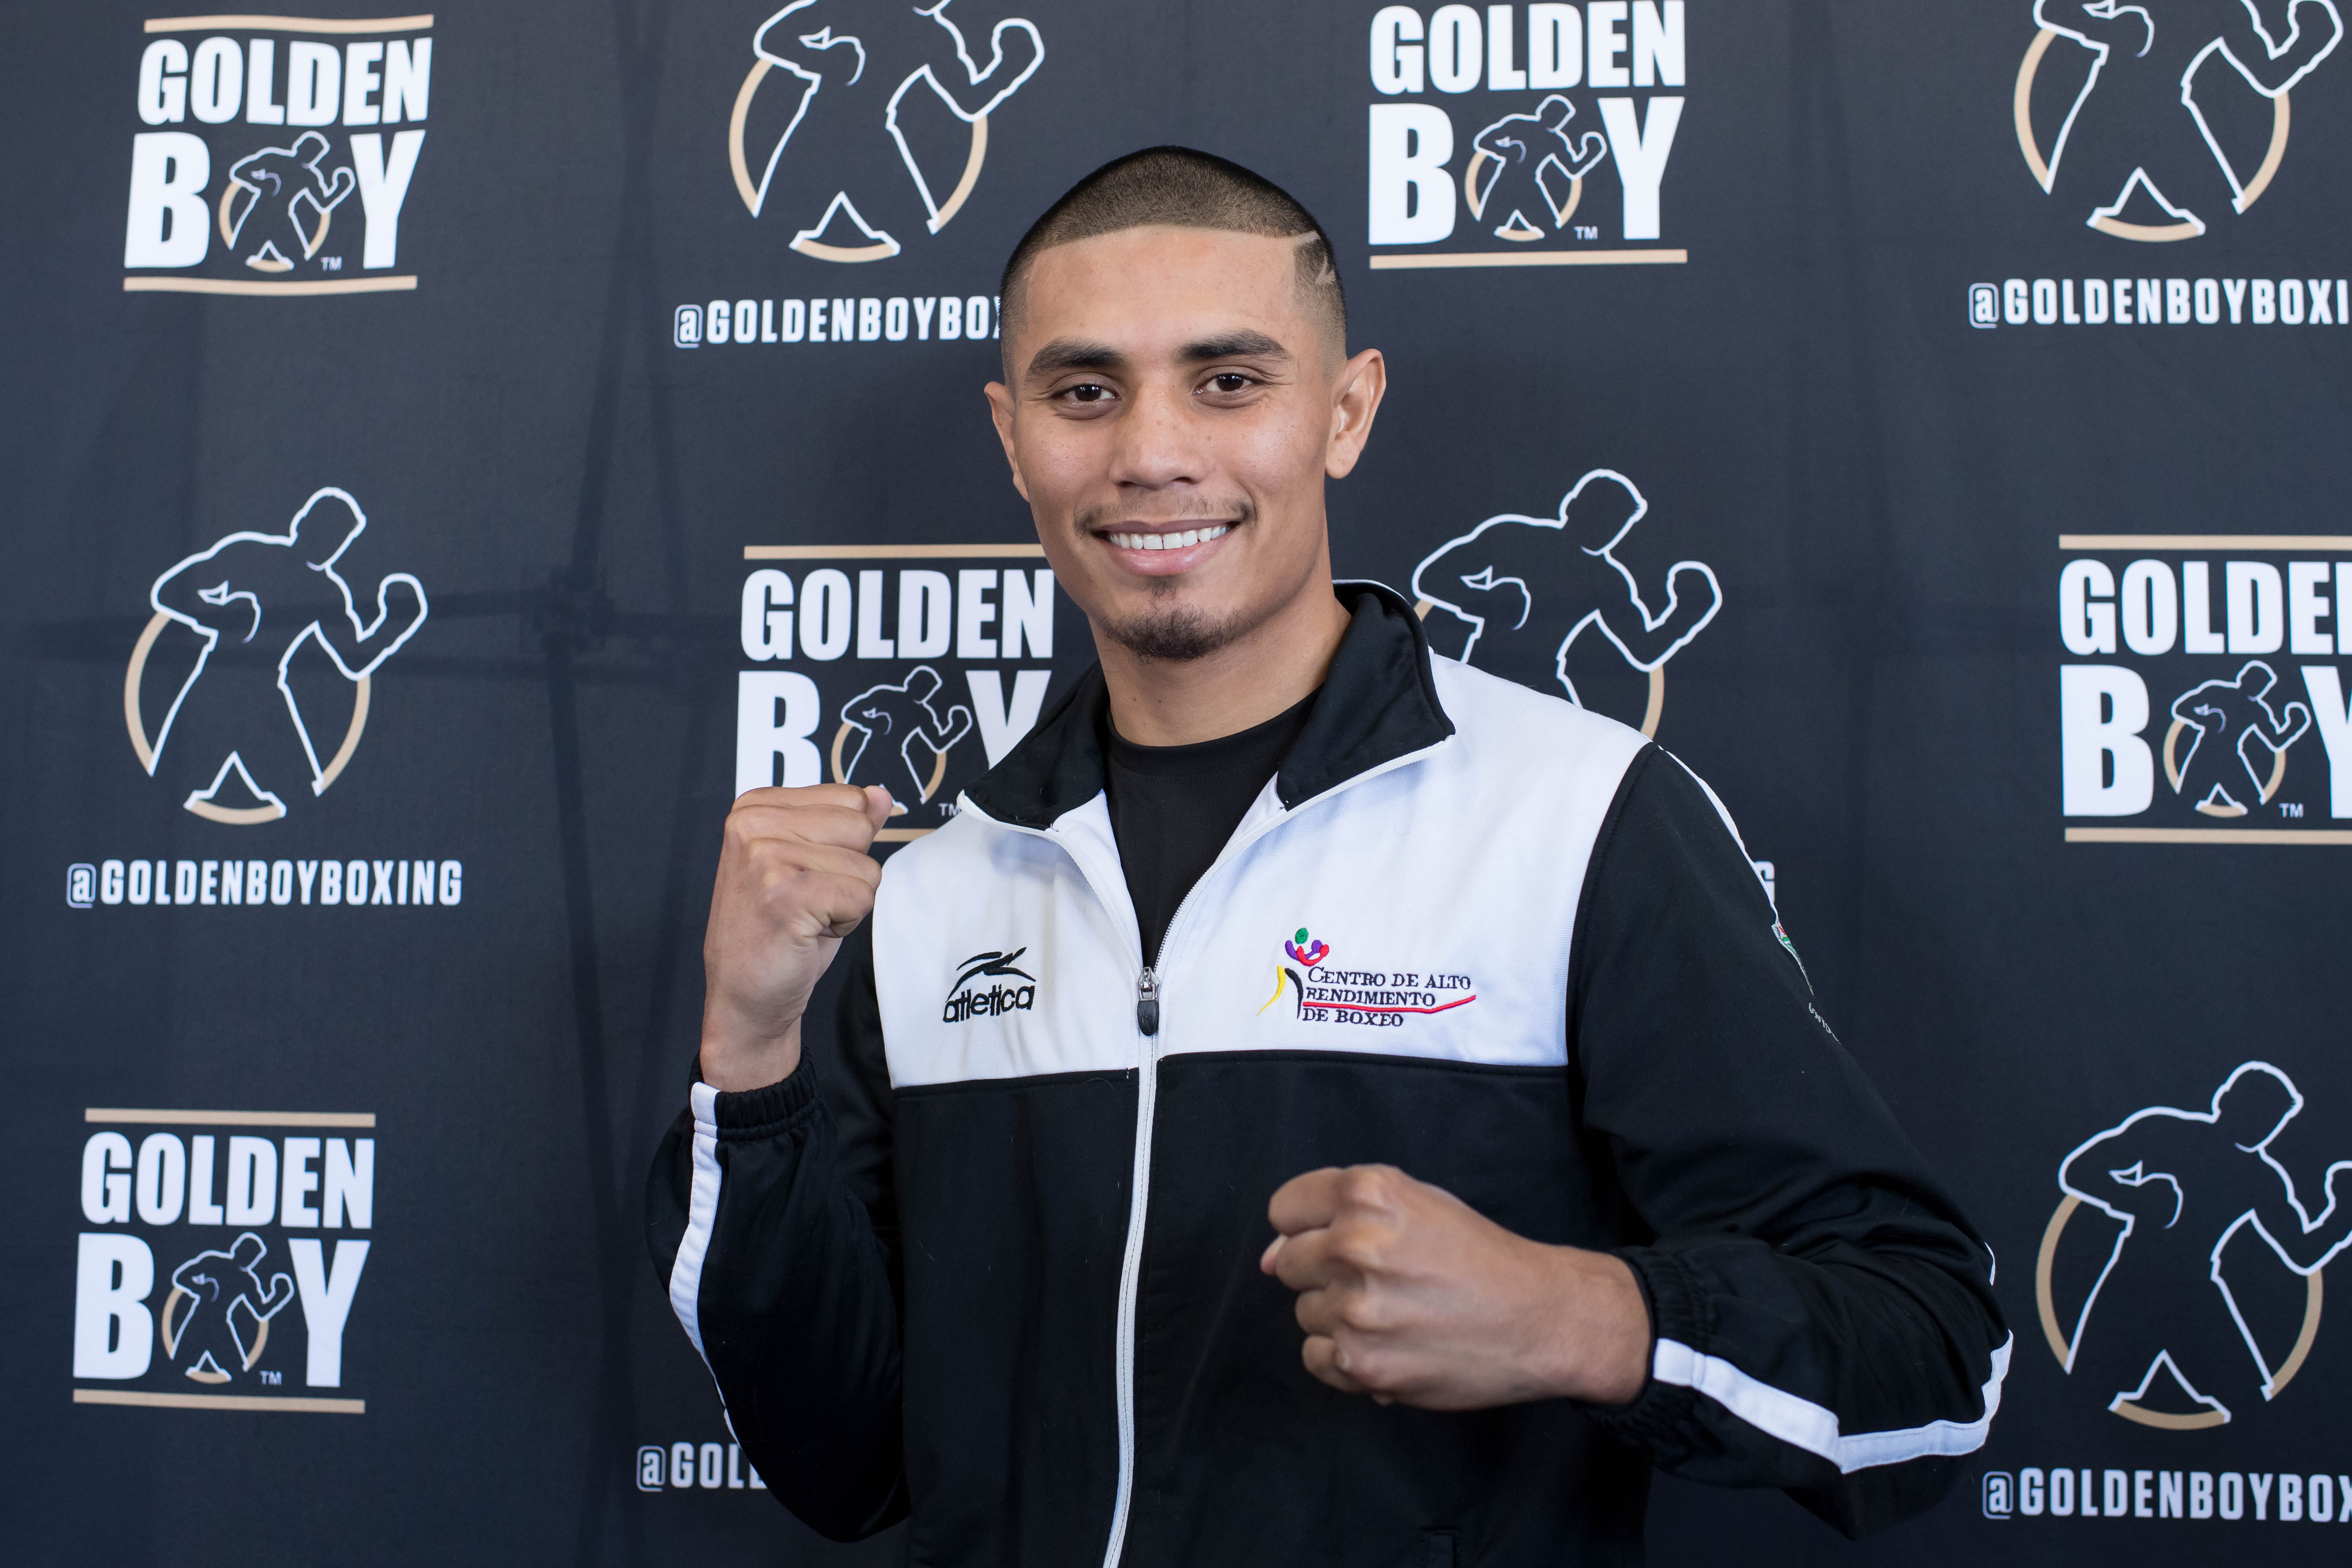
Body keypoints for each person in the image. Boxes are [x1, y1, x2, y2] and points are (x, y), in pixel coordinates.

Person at [649, 147, 2008, 1565]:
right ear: (1011, 434)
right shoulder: (938, 878)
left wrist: (1580, 1317)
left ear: (1345, 411)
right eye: (1084, 391)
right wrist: (749, 1055)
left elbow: (1933, 1357)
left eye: (1228, 381)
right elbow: (842, 1460)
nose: (1151, 453)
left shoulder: (1577, 818)